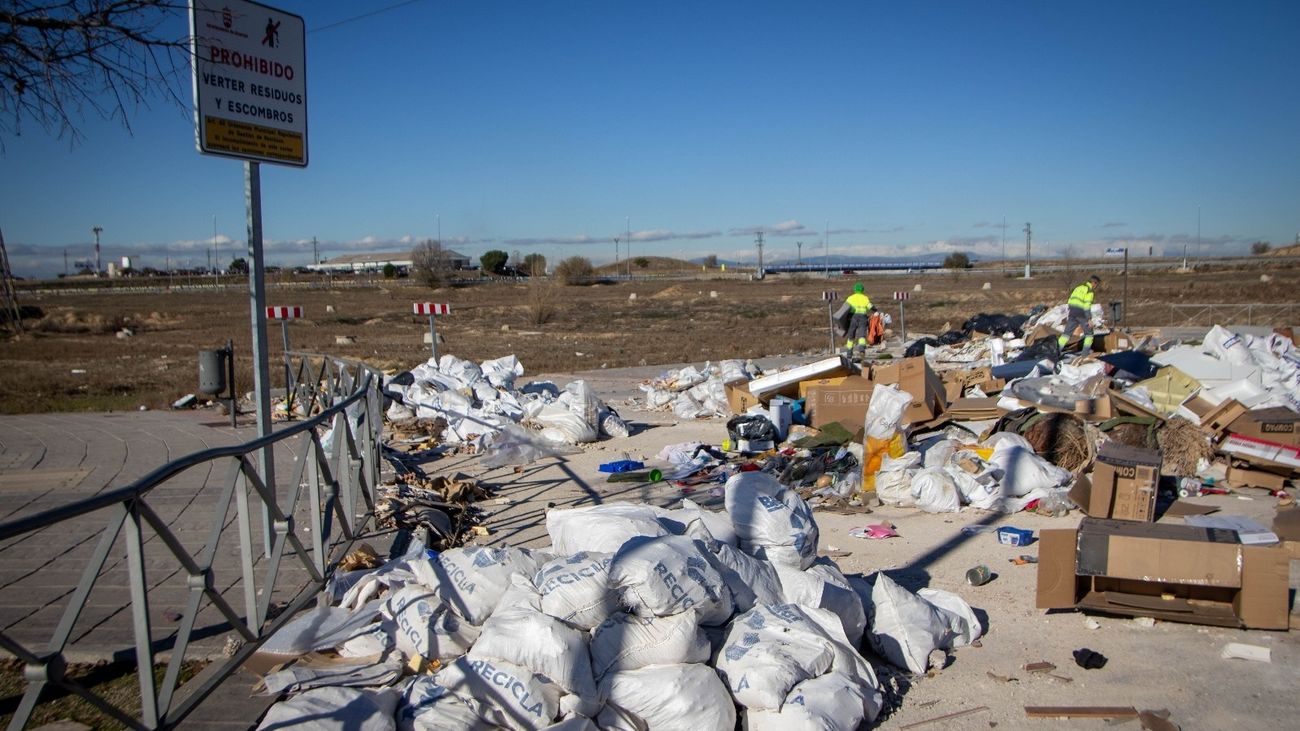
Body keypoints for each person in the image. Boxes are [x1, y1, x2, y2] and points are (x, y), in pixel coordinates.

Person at [1058, 275, 1100, 352]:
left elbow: (1070, 301)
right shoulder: (1089, 291)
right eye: (1097, 285)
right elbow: (1087, 306)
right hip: (1081, 313)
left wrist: (1071, 311)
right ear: (1094, 283)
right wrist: (1089, 319)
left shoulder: (1078, 288)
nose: (1096, 287)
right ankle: (1085, 354)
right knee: (1089, 334)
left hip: (1072, 312)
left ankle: (1056, 352)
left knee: (1066, 334)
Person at [844, 282, 874, 356]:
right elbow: (870, 306)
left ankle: (849, 352)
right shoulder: (865, 298)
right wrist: (876, 311)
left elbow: (845, 308)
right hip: (863, 318)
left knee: (851, 334)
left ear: (854, 289)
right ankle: (861, 349)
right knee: (862, 334)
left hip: (853, 317)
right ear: (862, 290)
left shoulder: (850, 298)